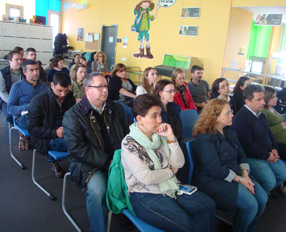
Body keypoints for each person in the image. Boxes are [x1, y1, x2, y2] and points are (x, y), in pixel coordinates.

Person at [121, 94, 216, 232]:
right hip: (145, 194)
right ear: (140, 119)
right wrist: (171, 171)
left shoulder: (160, 134)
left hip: (170, 185)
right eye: (154, 116)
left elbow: (179, 163)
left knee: (208, 205)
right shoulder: (129, 143)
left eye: (160, 115)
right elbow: (147, 178)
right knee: (189, 226)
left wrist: (171, 138)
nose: (160, 120)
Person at [63, 73, 130, 232]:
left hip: (117, 160)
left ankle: (118, 209)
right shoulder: (73, 115)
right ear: (87, 90)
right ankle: (98, 229)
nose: (105, 90)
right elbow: (78, 149)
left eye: (106, 86)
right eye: (99, 87)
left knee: (139, 180)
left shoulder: (116, 108)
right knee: (98, 190)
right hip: (88, 165)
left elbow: (128, 134)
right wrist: (109, 163)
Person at [192, 98, 268, 232]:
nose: (232, 115)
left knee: (262, 199)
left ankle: (247, 228)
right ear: (214, 116)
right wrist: (240, 179)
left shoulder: (230, 131)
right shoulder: (204, 139)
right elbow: (215, 170)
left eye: (231, 112)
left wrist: (245, 174)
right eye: (227, 113)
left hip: (235, 174)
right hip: (212, 180)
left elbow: (241, 154)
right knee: (251, 206)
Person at [233, 84, 286, 193]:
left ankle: (262, 191)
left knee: (283, 174)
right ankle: (257, 194)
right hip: (253, 157)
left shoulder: (260, 115)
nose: (263, 102)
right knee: (270, 182)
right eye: (259, 99)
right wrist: (267, 156)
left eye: (263, 98)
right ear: (248, 101)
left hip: (267, 153)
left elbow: (269, 134)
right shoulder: (241, 119)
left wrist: (274, 149)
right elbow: (247, 146)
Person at [28, 72, 75, 178]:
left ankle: (77, 167)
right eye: (60, 91)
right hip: (47, 138)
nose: (63, 94)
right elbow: (32, 129)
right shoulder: (38, 101)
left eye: (66, 91)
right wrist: (55, 132)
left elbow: (73, 117)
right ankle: (77, 169)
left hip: (66, 133)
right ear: (52, 85)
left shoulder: (69, 97)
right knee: (78, 145)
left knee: (89, 139)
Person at [7, 59, 48, 129]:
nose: (35, 72)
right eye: (31, 70)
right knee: (36, 123)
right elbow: (10, 109)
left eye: (37, 69)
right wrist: (29, 107)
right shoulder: (17, 87)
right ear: (24, 72)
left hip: (42, 115)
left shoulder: (44, 87)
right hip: (25, 116)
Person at [0, 51, 25, 123]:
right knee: (10, 115)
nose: (20, 61)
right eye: (16, 59)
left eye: (21, 59)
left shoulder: (25, 71)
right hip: (7, 100)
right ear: (9, 61)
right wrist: (12, 102)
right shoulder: (2, 73)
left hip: (22, 98)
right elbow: (2, 92)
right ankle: (17, 128)